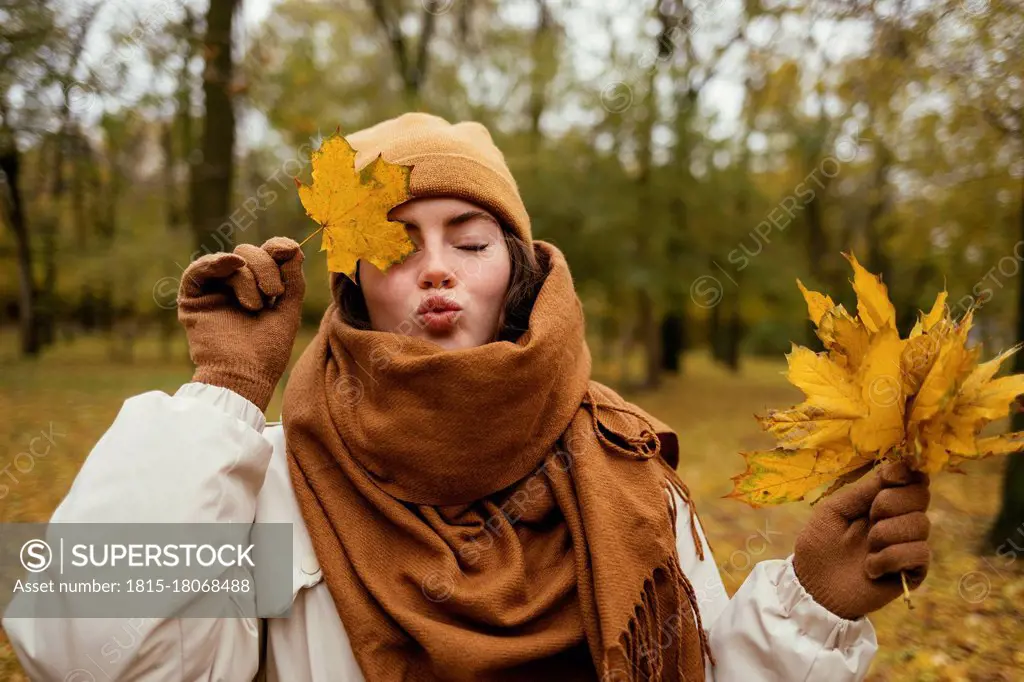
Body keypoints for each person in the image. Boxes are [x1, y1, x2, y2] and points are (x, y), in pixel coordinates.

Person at [3, 113, 931, 681]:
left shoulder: (629, 460)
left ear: (519, 274)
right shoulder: (272, 479)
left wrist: (812, 608)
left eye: (471, 240)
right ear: (355, 284)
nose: (437, 268)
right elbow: (83, 650)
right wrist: (223, 394)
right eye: (398, 244)